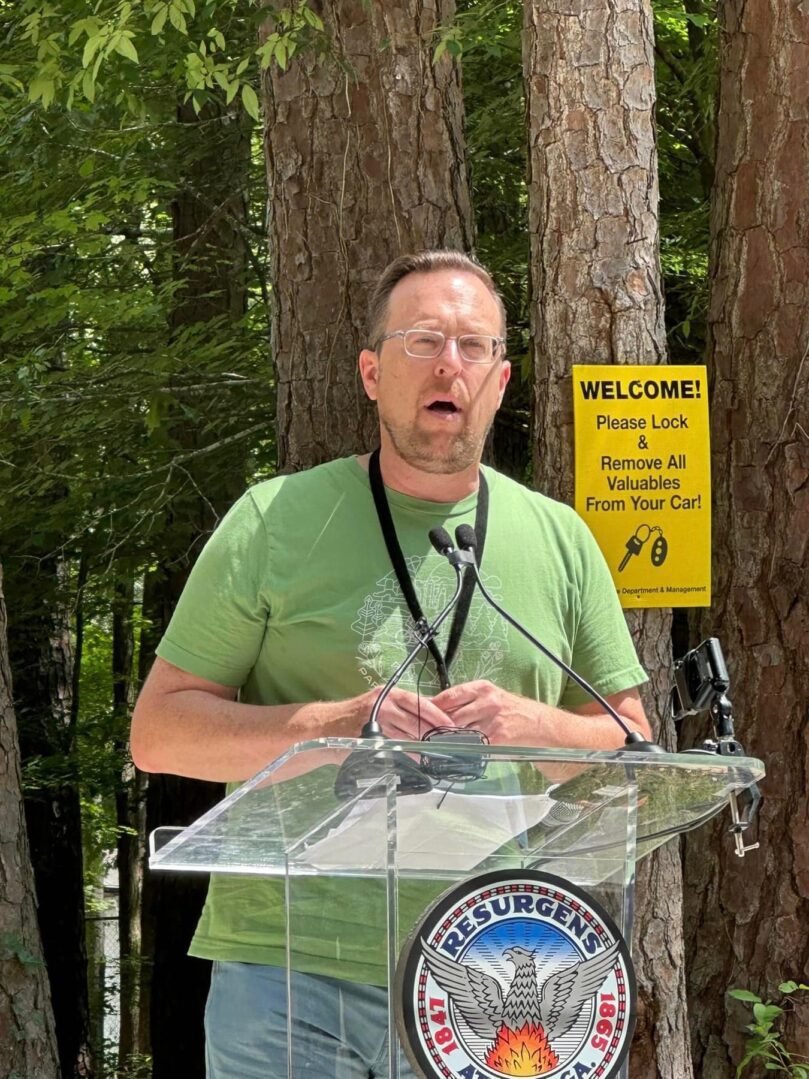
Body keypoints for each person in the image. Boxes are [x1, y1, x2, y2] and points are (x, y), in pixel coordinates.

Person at [131, 250, 650, 1077]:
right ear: (372, 372)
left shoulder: (561, 539)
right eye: (422, 341)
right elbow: (159, 733)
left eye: (472, 345)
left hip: (500, 970)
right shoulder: (273, 521)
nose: (450, 363)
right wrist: (334, 726)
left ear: (502, 378)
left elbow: (630, 749)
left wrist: (532, 726)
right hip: (290, 973)